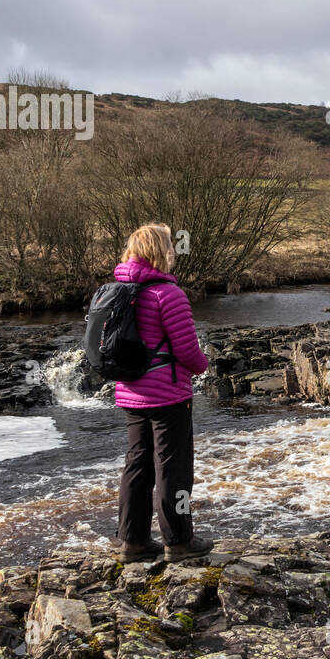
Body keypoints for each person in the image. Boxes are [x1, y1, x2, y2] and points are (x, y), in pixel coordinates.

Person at [111, 223, 213, 563]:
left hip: (130, 393)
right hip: (168, 396)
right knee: (175, 470)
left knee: (137, 465)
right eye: (170, 246)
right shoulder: (168, 294)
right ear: (158, 251)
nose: (174, 252)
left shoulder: (118, 290)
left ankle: (132, 541)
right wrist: (204, 365)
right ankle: (179, 540)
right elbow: (187, 350)